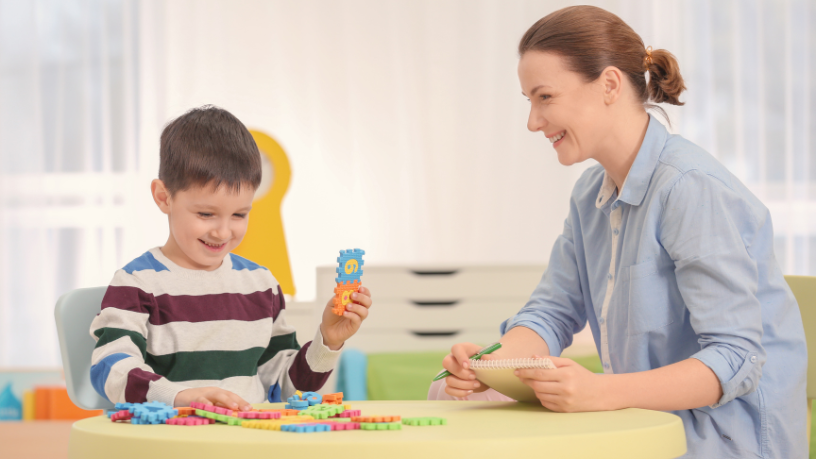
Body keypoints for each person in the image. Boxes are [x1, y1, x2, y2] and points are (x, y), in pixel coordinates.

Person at [433, 6, 807, 458]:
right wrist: (491, 365)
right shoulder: (590, 195)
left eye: (545, 97)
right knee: (450, 397)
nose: (533, 121)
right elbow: (551, 313)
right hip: (642, 426)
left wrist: (599, 392)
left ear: (609, 85)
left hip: (721, 441)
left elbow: (735, 358)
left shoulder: (689, 188)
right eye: (529, 100)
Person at [89, 106, 373, 411]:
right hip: (175, 433)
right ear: (163, 196)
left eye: (239, 214)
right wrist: (177, 396)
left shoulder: (261, 285)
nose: (223, 232)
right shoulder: (136, 284)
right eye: (205, 214)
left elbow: (286, 388)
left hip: (249, 434)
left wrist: (327, 341)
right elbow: (110, 367)